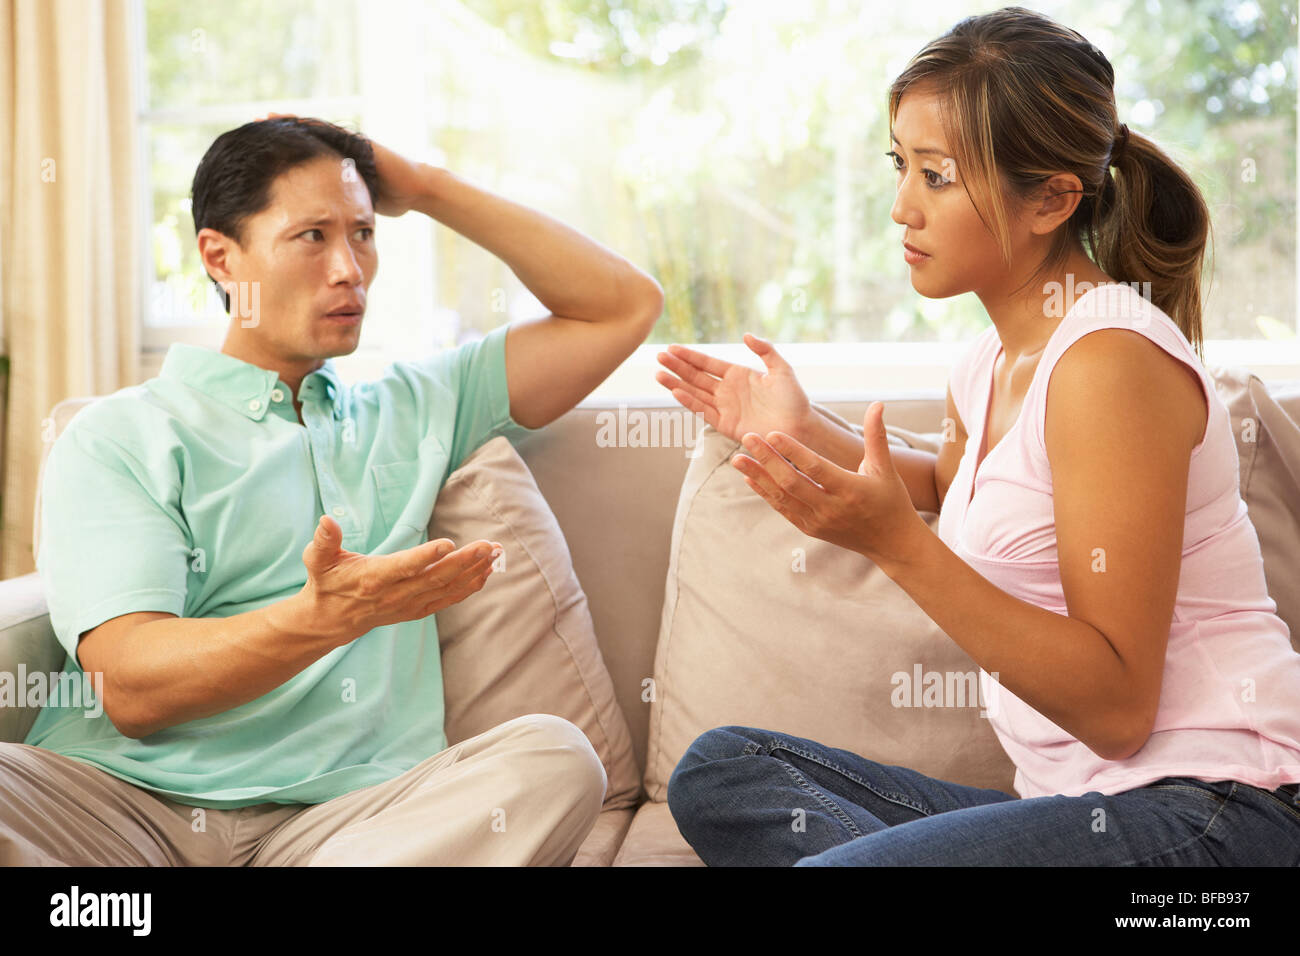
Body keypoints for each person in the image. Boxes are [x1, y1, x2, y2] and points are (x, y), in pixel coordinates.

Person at [656, 6, 1300, 866]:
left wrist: (894, 547)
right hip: (1085, 805)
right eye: (901, 167)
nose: (901, 209)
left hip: (1222, 808)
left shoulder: (1110, 363)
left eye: (937, 176)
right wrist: (799, 428)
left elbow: (1117, 709)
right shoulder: (994, 356)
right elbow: (955, 481)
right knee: (725, 768)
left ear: (1052, 198)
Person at [1, 116, 662, 866]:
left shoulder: (415, 403)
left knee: (554, 758)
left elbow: (620, 307)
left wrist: (426, 187)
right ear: (220, 256)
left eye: (364, 233)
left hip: (346, 832)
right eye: (312, 236)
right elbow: (131, 687)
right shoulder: (122, 434)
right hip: (120, 812)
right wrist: (324, 619)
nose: (349, 268)